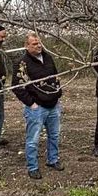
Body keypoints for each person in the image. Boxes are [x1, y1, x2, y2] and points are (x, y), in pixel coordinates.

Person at [11, 33, 64, 180]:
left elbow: (55, 76)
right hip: (37, 108)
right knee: (33, 139)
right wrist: (31, 103)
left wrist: (58, 94)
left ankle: (53, 160)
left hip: (53, 105)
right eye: (34, 44)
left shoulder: (47, 58)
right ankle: (33, 167)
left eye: (39, 43)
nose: (38, 46)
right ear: (26, 46)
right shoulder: (22, 63)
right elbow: (16, 87)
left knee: (54, 135)